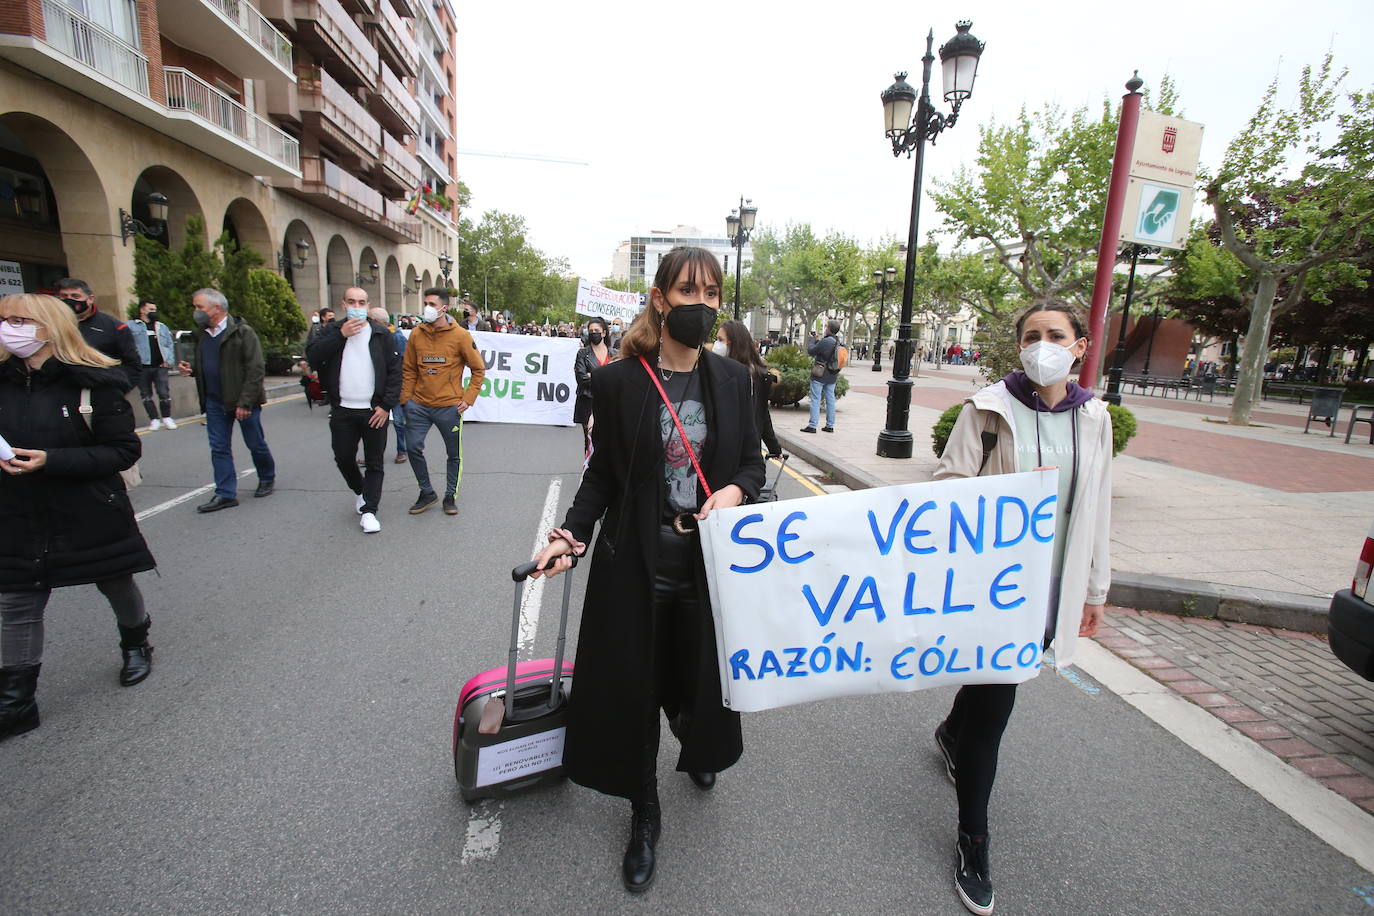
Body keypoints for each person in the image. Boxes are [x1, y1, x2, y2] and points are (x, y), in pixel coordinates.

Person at [528, 246, 765, 894]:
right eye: (689, 291)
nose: (704, 305)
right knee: (635, 692)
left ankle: (694, 737)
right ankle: (645, 809)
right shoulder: (618, 382)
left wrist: (736, 493)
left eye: (713, 293)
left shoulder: (734, 381)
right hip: (635, 564)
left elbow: (750, 464)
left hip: (706, 570)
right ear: (660, 299)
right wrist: (571, 535)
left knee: (696, 682)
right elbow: (601, 475)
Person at [930, 300, 1112, 915]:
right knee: (996, 703)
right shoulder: (987, 410)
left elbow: (1097, 509)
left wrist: (1094, 591)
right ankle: (973, 839)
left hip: (1051, 589)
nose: (1043, 345)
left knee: (988, 693)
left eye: (1055, 335)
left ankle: (952, 734)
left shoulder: (1096, 420)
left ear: (1080, 346)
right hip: (994, 589)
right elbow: (945, 494)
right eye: (1031, 336)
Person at [0, 293, 158, 742]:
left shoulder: (94, 384)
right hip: (17, 510)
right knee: (17, 601)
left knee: (114, 580)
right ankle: (16, 701)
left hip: (87, 505)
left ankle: (136, 643)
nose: (8, 327)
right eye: (3, 319)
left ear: (48, 327)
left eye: (18, 319)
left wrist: (51, 460)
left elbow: (123, 450)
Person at [306, 291, 401, 534]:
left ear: (368, 306)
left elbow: (395, 373)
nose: (356, 306)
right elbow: (314, 356)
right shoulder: (332, 331)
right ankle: (361, 491)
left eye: (361, 303)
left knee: (374, 462)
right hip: (343, 410)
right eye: (351, 302)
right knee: (343, 457)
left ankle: (370, 510)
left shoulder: (381, 334)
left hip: (374, 411)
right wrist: (341, 335)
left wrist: (386, 406)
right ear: (343, 304)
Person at [176, 288, 276, 512]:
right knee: (219, 448)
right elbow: (211, 366)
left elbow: (255, 369)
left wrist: (245, 402)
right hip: (214, 402)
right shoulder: (202, 334)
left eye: (200, 307)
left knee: (255, 443)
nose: (196, 312)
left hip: (242, 401)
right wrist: (192, 370)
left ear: (217, 309)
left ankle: (267, 477)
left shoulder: (243, 333)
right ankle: (225, 493)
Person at [399, 288, 485, 516]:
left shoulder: (461, 336)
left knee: (453, 454)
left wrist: (468, 398)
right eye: (425, 302)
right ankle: (426, 492)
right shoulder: (417, 334)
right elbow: (408, 369)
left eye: (431, 304)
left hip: (449, 406)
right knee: (413, 447)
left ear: (444, 308)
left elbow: (478, 370)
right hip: (418, 405)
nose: (426, 307)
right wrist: (406, 399)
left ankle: (450, 496)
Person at [55, 278, 140, 387]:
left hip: (100, 393)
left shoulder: (115, 327)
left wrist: (117, 392)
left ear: (90, 299)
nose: (69, 300)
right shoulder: (49, 325)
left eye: (75, 296)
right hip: (60, 393)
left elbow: (132, 366)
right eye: (64, 296)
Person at [715, 319, 781, 458]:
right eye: (717, 339)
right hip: (718, 450)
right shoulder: (715, 371)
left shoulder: (758, 376)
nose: (716, 344)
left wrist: (774, 447)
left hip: (744, 452)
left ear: (734, 343)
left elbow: (761, 413)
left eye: (721, 340)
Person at [572, 316, 617, 460]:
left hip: (610, 403)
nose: (593, 333)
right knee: (590, 441)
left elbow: (619, 379)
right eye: (591, 331)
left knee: (609, 440)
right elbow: (581, 378)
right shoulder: (583, 354)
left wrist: (594, 375)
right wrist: (606, 376)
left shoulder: (615, 354)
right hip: (588, 402)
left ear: (604, 333)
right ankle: (589, 471)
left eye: (597, 330)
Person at [128, 298, 176, 430]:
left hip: (160, 366)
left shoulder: (161, 327)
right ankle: (154, 419)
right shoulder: (131, 326)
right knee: (145, 394)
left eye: (154, 309)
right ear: (142, 310)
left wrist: (169, 361)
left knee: (163, 392)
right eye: (150, 309)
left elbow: (169, 345)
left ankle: (167, 417)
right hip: (142, 367)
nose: (153, 312)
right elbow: (126, 345)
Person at [374, 307, 410, 463]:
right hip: (379, 386)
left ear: (377, 322)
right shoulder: (374, 337)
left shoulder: (397, 338)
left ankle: (402, 451)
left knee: (398, 422)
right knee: (375, 422)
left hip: (395, 386)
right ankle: (374, 454)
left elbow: (405, 363)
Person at [802, 319, 842, 434]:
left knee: (815, 398)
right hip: (832, 375)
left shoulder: (825, 341)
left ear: (829, 329)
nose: (825, 329)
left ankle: (812, 425)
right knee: (830, 400)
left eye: (826, 327)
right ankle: (830, 425)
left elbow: (811, 351)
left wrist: (811, 340)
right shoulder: (838, 341)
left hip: (820, 374)